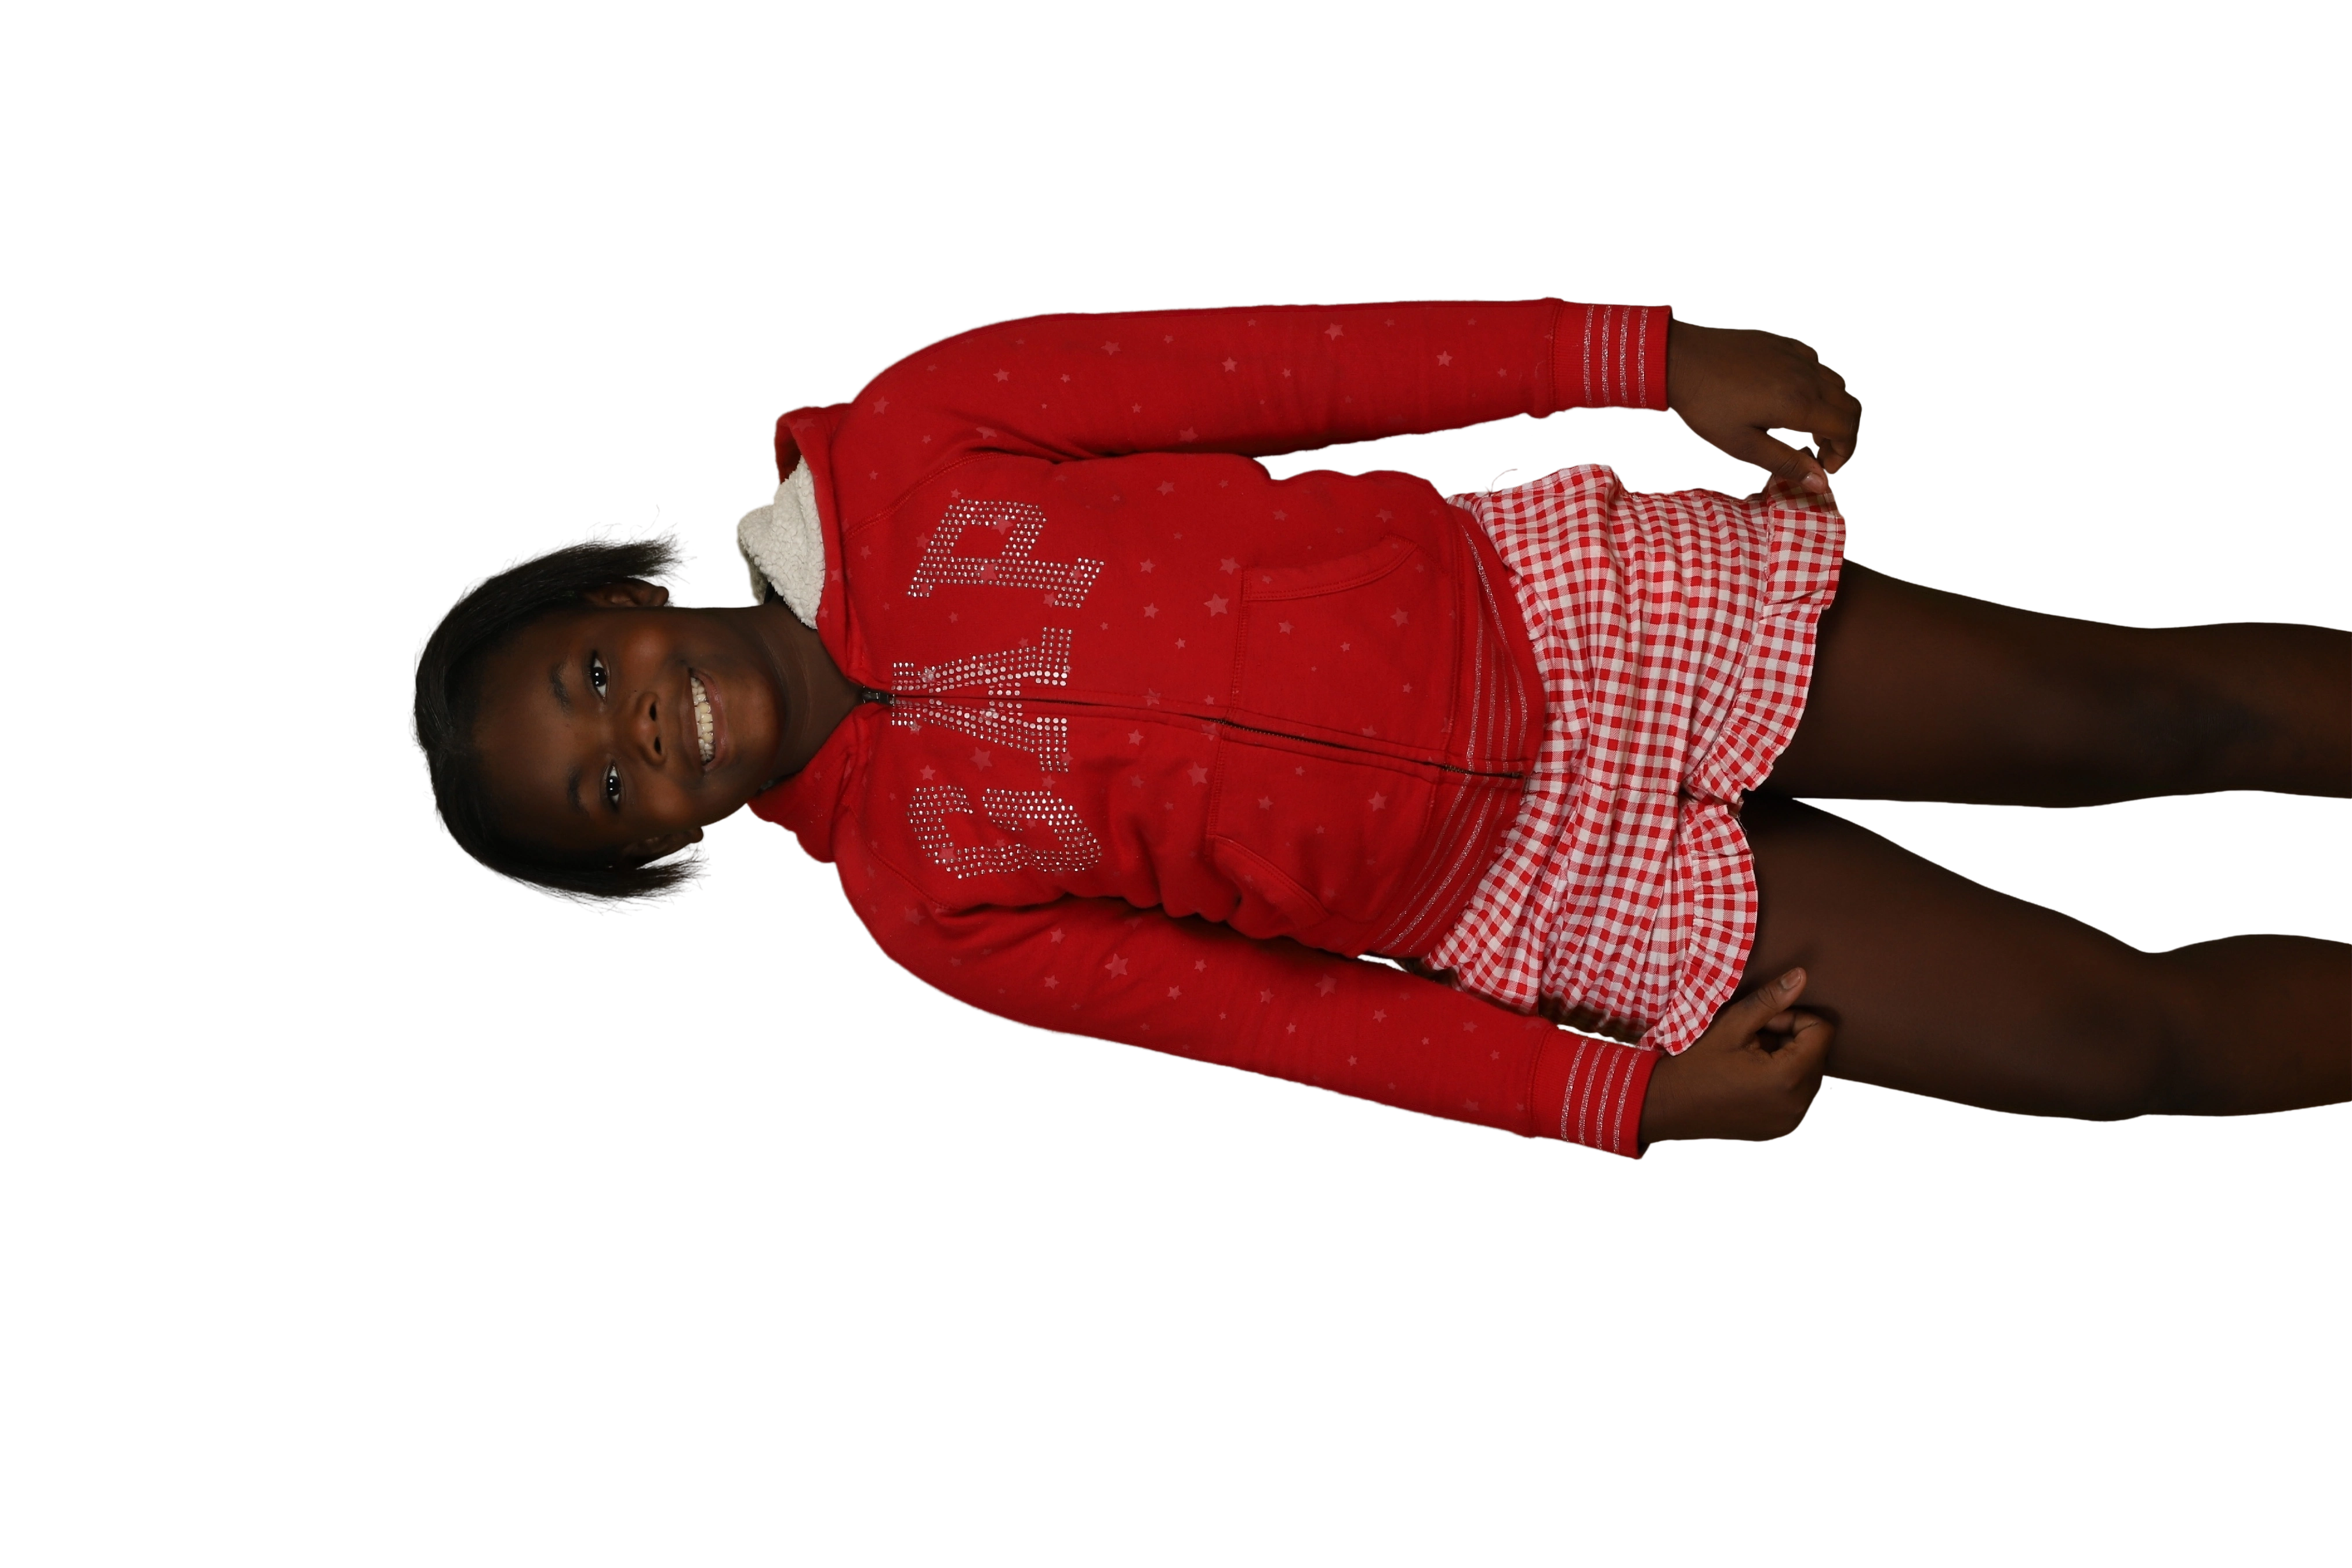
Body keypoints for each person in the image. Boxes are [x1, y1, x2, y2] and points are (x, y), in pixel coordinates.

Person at [405, 296, 2352, 1162]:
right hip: (1555, 898)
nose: (640, 725)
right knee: (2106, 1052)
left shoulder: (916, 432)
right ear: (661, 852)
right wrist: (1616, 1101)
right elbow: (1286, 1021)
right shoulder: (930, 908)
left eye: (590, 676)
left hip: (1577, 622)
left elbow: (1293, 363)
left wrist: (1643, 362)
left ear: (620, 588)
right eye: (608, 786)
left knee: (2141, 713)